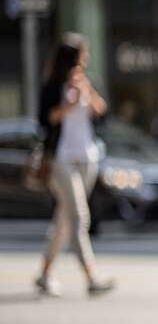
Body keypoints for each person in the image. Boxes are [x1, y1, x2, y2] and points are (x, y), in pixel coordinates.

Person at [34, 33, 114, 297]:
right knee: (79, 215)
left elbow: (101, 112)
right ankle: (92, 277)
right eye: (83, 53)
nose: (87, 58)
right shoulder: (52, 86)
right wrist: (68, 103)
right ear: (71, 56)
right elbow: (46, 120)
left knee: (64, 221)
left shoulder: (86, 82)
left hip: (87, 156)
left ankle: (44, 274)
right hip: (61, 158)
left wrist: (87, 91)